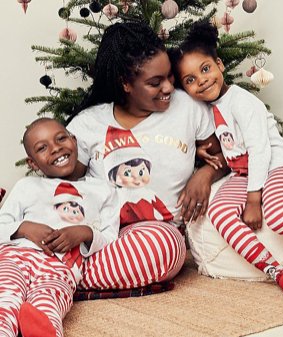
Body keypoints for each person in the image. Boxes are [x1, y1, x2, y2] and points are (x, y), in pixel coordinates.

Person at [66, 20, 229, 291]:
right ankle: (52, 278)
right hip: (95, 230)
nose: (168, 88)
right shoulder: (88, 123)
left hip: (155, 232)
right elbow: (61, 186)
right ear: (126, 83)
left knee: (164, 249)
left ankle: (63, 279)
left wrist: (205, 173)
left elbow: (228, 155)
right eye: (155, 82)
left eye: (170, 77)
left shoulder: (187, 108)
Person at [167, 20, 283, 299]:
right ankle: (276, 270)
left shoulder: (243, 102)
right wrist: (199, 150)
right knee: (220, 213)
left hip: (276, 166)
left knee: (281, 217)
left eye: (206, 69)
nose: (202, 80)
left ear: (220, 65)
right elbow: (224, 143)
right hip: (243, 174)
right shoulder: (207, 109)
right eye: (190, 80)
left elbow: (260, 149)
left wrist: (253, 200)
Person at [0, 118, 120, 337]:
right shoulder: (27, 186)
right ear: (33, 163)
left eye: (61, 138)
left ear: (74, 140)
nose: (56, 148)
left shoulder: (101, 190)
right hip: (15, 257)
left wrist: (84, 233)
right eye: (42, 148)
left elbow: (111, 236)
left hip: (62, 267)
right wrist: (24, 227)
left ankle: (44, 330)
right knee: (5, 296)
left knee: (49, 303)